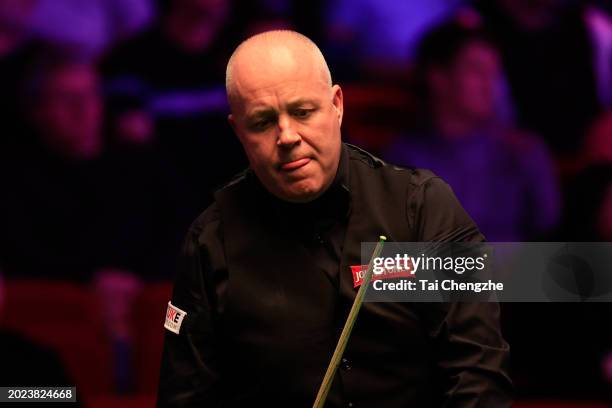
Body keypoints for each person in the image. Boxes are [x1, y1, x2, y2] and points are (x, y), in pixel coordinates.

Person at [157, 30, 512, 407]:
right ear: (238, 131)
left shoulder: (422, 209)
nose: (287, 135)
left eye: (302, 112)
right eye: (262, 122)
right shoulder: (212, 243)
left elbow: (478, 372)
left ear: (337, 105)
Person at [384, 17, 559, 241]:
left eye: (493, 73)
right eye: (476, 72)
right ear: (437, 77)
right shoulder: (404, 158)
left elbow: (551, 238)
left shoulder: (522, 152)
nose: (489, 85)